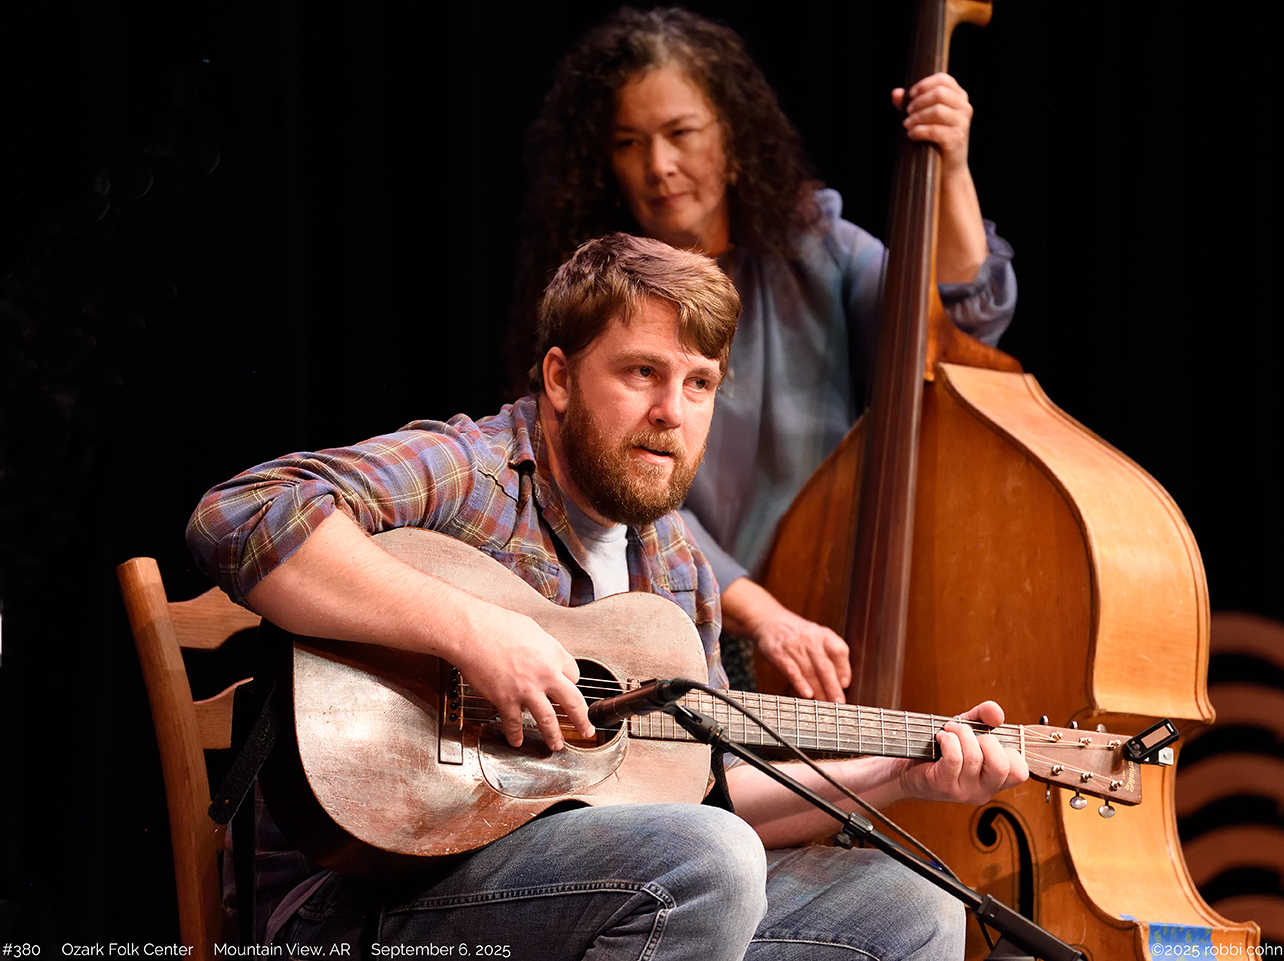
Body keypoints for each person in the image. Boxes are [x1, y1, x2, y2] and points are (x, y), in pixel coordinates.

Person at [187, 233, 1027, 957]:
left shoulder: (676, 561)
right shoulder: (475, 472)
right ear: (559, 377)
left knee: (912, 904)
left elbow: (710, 790)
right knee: (706, 861)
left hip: (587, 890)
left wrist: (897, 775)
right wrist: (474, 630)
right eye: (643, 371)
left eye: (699, 383)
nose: (672, 412)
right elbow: (239, 513)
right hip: (354, 900)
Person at [511, 7, 1017, 703]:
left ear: (733, 139)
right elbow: (615, 488)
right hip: (675, 616)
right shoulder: (597, 298)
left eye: (681, 133)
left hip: (835, 608)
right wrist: (762, 614)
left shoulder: (816, 247)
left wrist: (950, 166)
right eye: (629, 143)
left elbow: (950, 330)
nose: (658, 165)